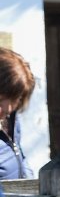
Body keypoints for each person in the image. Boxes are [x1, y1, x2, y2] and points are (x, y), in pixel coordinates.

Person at [0, 47, 35, 180]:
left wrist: (30, 183)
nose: (8, 109)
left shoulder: (12, 120)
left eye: (15, 99)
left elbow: (19, 154)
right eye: (0, 100)